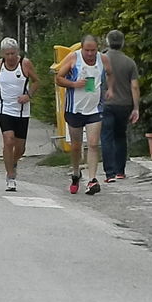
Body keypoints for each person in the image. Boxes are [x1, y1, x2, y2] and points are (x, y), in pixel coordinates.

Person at [56, 34, 114, 195]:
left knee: (94, 144)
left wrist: (110, 89)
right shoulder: (73, 58)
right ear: (82, 48)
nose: (90, 54)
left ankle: (92, 180)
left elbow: (110, 73)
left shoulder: (103, 59)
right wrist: (74, 84)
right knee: (76, 146)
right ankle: (76, 173)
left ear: (97, 49)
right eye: (87, 50)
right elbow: (59, 78)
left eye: (93, 50)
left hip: (95, 109)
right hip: (74, 109)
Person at [0, 37, 40, 192]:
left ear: (17, 52)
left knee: (21, 147)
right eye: (7, 54)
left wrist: (28, 95)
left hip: (22, 109)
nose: (10, 57)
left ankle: (13, 162)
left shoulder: (25, 64)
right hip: (4, 107)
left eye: (13, 53)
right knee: (8, 140)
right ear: (2, 54)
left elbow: (37, 81)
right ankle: (10, 176)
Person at [100, 30, 140, 182]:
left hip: (106, 103)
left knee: (106, 137)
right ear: (122, 43)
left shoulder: (101, 60)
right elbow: (134, 87)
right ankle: (120, 171)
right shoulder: (129, 62)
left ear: (107, 42)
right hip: (124, 104)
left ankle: (109, 173)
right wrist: (136, 107)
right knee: (120, 136)